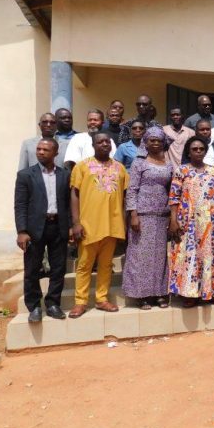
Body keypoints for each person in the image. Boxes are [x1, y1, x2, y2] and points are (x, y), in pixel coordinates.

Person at [68, 133, 130, 318]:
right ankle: (80, 302)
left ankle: (102, 299)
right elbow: (74, 195)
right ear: (93, 145)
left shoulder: (120, 169)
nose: (104, 144)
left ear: (111, 146)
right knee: (84, 265)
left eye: (106, 142)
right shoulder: (82, 167)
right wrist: (76, 223)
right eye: (100, 142)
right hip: (89, 225)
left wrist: (125, 222)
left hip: (112, 225)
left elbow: (126, 197)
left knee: (105, 265)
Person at [168, 137, 214, 307]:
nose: (198, 151)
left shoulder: (213, 171)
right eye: (194, 149)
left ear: (205, 151)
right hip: (188, 222)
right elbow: (174, 198)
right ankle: (190, 294)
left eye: (201, 149)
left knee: (211, 254)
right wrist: (173, 220)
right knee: (190, 256)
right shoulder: (181, 171)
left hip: (212, 222)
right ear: (188, 152)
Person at [14, 138, 71, 322]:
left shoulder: (64, 175)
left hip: (58, 226)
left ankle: (53, 303)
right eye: (38, 149)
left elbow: (69, 204)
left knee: (58, 268)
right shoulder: (25, 175)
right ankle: (34, 307)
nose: (40, 152)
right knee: (31, 269)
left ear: (55, 153)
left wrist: (70, 226)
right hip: (34, 228)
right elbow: (20, 205)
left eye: (45, 150)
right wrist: (22, 231)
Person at [123, 127, 174, 309]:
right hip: (142, 215)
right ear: (146, 142)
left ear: (163, 143)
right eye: (151, 140)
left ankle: (159, 292)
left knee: (160, 257)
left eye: (158, 140)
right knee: (141, 256)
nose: (155, 143)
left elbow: (170, 190)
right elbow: (132, 189)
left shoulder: (168, 164)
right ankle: (142, 295)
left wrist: (171, 215)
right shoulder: (139, 163)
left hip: (161, 215)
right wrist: (133, 214)